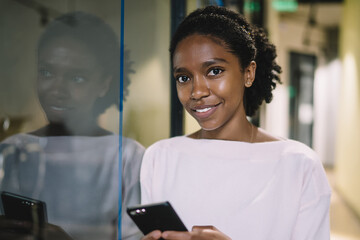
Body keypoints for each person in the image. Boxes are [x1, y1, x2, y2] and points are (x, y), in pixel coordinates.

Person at [140, 6, 331, 240]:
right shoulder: (160, 157)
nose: (197, 91)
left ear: (248, 73)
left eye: (214, 71)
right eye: (183, 77)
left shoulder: (298, 164)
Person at [0, 12, 144, 240]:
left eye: (77, 78)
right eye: (46, 72)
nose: (57, 89)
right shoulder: (12, 151)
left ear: (104, 84)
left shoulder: (127, 156)